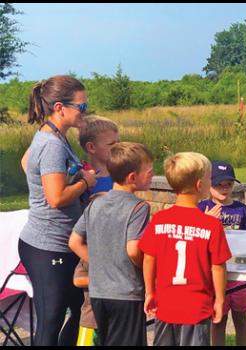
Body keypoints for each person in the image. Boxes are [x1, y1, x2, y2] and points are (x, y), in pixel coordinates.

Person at [18, 75, 97, 346]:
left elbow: (26, 161)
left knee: (80, 310)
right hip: (46, 246)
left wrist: (73, 182)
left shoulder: (52, 134)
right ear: (60, 108)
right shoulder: (52, 144)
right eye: (82, 107)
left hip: (62, 244)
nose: (85, 112)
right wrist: (85, 182)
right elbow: (55, 198)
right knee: (50, 322)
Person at [139, 152, 231, 346]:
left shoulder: (159, 220)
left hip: (166, 305)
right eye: (209, 178)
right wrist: (220, 300)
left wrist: (149, 292)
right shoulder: (211, 225)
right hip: (196, 308)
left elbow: (148, 258)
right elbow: (218, 266)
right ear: (199, 185)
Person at [68, 142, 154, 346]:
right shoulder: (139, 207)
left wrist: (98, 263)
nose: (153, 175)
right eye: (150, 172)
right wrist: (149, 267)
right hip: (127, 292)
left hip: (98, 293)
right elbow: (134, 250)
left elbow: (74, 241)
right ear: (132, 177)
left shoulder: (95, 203)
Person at [72, 115, 120, 346]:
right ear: (91, 147)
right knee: (91, 312)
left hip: (119, 252)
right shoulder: (84, 178)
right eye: (112, 144)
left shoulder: (120, 176)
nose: (117, 148)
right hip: (94, 252)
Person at [198, 160, 246, 346]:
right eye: (218, 185)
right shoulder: (202, 209)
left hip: (239, 274)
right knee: (218, 321)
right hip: (215, 274)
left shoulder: (243, 210)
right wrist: (206, 221)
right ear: (208, 184)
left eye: (228, 185)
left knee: (241, 320)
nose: (224, 189)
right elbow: (196, 239)